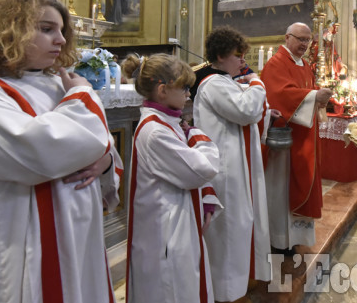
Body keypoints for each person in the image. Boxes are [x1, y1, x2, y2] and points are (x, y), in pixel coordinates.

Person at [0, 0, 122, 303]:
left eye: (62, 30)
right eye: (47, 29)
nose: (62, 40)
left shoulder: (54, 82)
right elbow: (38, 150)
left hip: (77, 233)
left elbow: (100, 141)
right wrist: (83, 95)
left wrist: (105, 160)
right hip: (15, 237)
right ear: (6, 29)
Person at [123, 53, 222, 303]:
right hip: (165, 231)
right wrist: (199, 135)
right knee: (173, 291)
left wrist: (206, 197)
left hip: (177, 219)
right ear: (163, 90)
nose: (189, 93)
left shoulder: (168, 122)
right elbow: (202, 168)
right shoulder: (155, 131)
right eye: (185, 87)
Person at [192, 26, 273, 302]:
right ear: (220, 55)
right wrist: (258, 83)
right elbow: (247, 110)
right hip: (225, 169)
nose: (242, 61)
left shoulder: (223, 81)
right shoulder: (213, 83)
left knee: (239, 226)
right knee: (228, 230)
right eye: (237, 55)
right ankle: (225, 291)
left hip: (237, 166)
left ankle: (235, 285)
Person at [259, 22, 333, 252]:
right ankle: (279, 241)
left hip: (304, 139)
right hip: (285, 142)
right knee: (281, 190)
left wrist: (318, 97)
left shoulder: (304, 64)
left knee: (301, 184)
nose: (304, 44)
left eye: (307, 40)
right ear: (287, 37)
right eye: (300, 39)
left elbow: (304, 92)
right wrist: (313, 95)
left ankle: (295, 238)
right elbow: (279, 95)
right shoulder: (276, 64)